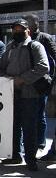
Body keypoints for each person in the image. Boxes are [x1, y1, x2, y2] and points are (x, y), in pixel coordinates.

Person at [0, 19, 48, 171]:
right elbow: (1, 67)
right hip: (11, 94)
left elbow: (43, 67)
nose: (17, 32)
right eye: (15, 30)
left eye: (21, 29)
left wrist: (22, 79)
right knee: (13, 126)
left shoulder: (35, 46)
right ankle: (14, 155)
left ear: (28, 31)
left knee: (29, 127)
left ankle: (30, 159)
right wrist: (7, 79)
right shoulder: (10, 47)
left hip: (29, 94)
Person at [23, 14, 56, 154]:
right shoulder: (22, 40)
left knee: (39, 113)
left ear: (36, 24)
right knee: (29, 114)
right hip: (26, 82)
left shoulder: (45, 38)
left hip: (41, 83)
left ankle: (40, 142)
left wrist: (49, 78)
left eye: (27, 23)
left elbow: (54, 58)